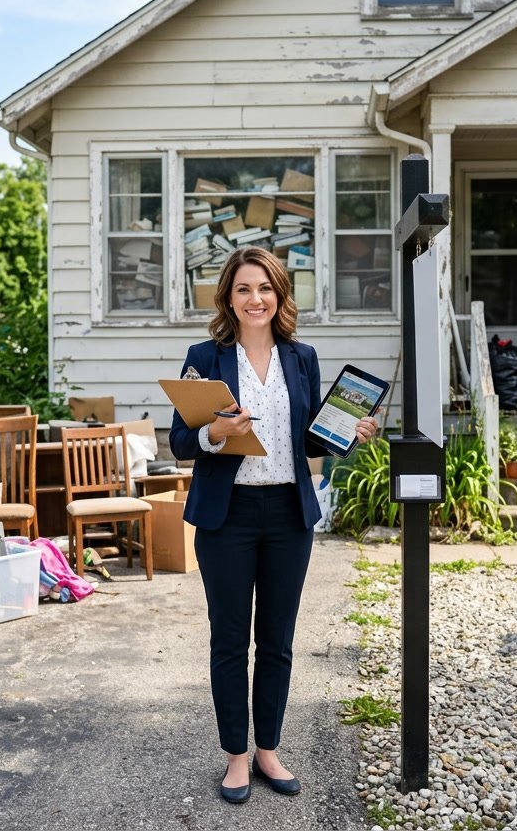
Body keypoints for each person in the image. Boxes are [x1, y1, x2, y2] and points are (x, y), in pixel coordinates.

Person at [169, 246, 378, 804]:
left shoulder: (301, 357)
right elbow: (181, 440)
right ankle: (236, 757)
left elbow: (306, 436)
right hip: (227, 516)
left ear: (279, 295)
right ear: (228, 298)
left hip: (288, 514)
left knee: (279, 642)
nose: (255, 298)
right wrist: (216, 433)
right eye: (243, 289)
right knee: (230, 641)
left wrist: (347, 432)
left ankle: (269, 750)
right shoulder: (204, 356)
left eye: (265, 288)